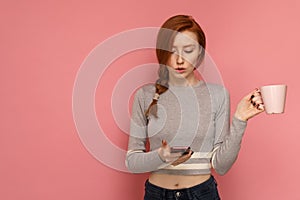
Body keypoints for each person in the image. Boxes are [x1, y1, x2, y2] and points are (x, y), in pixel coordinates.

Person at [125, 15, 264, 200]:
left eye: (188, 50)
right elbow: (132, 162)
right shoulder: (144, 96)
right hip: (156, 194)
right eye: (172, 51)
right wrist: (161, 156)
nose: (180, 60)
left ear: (199, 53)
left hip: (201, 194)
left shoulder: (218, 95)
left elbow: (221, 166)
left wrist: (240, 119)